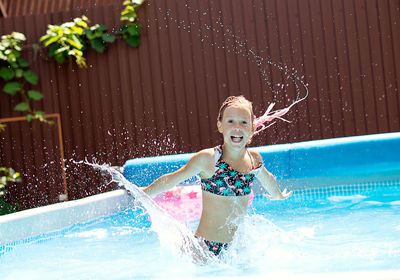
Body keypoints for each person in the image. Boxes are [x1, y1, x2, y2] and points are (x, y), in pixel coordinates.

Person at [143, 95, 292, 259]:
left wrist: (278, 195)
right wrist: (144, 193)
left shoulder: (253, 159)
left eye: (244, 122)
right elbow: (173, 178)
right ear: (220, 125)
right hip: (206, 250)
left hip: (238, 248)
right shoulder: (209, 159)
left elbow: (267, 177)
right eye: (231, 121)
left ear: (252, 128)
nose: (237, 127)